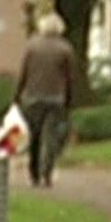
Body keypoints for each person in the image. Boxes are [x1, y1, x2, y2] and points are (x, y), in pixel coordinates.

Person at [13, 11, 76, 188]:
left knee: (34, 136)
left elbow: (23, 74)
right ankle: (46, 173)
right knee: (50, 137)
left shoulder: (31, 47)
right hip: (55, 99)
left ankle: (33, 173)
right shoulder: (65, 49)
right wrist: (69, 100)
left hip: (32, 98)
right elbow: (70, 78)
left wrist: (17, 96)